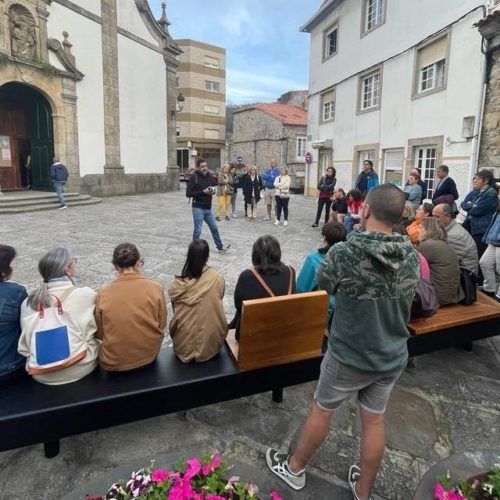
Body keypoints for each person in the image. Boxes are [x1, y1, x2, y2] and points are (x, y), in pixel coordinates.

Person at [265, 184, 419, 498]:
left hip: (350, 353)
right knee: (374, 420)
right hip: (391, 353)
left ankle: (295, 468)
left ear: (364, 210)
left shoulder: (345, 252)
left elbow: (325, 285)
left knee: (322, 410)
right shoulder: (411, 255)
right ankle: (363, 491)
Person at [18, 248, 99, 384]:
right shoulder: (85, 295)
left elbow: (25, 345)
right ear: (67, 270)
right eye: (74, 262)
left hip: (41, 373)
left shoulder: (28, 303)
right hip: (80, 366)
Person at [95, 243, 167, 372]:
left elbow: (100, 332)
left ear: (116, 266)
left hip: (114, 361)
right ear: (138, 262)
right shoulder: (155, 288)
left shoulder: (104, 293)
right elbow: (162, 324)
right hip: (148, 355)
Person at [168, 240, 227, 363]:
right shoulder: (217, 279)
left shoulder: (176, 285)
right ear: (207, 257)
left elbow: (176, 311)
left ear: (188, 256)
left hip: (183, 346)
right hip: (212, 345)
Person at [229, 235, 296, 341]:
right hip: (282, 331)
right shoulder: (291, 272)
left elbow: (238, 305)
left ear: (255, 255)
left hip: (253, 336)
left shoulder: (247, 276)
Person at [296, 222, 347, 329]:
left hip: (320, 313)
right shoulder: (351, 260)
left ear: (324, 238)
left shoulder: (314, 259)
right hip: (343, 315)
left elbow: (301, 289)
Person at [186, 158, 230, 254]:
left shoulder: (209, 175)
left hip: (208, 208)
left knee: (214, 228)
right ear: (198, 167)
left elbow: (212, 187)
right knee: (198, 230)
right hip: (198, 207)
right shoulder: (194, 177)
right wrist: (203, 192)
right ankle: (193, 251)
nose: (205, 168)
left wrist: (212, 191)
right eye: (202, 167)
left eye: (206, 166)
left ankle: (220, 248)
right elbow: (188, 193)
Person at [418, 218, 463, 306]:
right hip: (452, 295)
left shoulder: (427, 245)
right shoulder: (444, 243)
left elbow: (412, 267)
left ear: (428, 230)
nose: (418, 231)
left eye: (421, 228)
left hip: (438, 298)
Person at [0, 245, 27, 382]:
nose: (14, 266)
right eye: (11, 263)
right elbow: (27, 326)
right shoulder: (15, 292)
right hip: (8, 368)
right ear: (4, 271)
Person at [460, 169, 498, 260]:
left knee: (478, 254)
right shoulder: (476, 191)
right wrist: (472, 205)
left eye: (478, 179)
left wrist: (471, 205)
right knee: (467, 250)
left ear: (486, 181)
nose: (475, 181)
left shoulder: (491, 194)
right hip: (471, 225)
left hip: (481, 229)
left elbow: (476, 211)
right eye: (474, 178)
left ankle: (478, 274)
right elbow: (463, 204)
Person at [433, 203, 478, 274]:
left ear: (448, 216)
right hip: (457, 270)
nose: (434, 219)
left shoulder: (454, 236)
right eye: (433, 216)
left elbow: (446, 261)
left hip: (464, 276)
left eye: (437, 217)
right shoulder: (450, 229)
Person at [479, 209, 500, 300]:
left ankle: (499, 295)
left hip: (498, 241)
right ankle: (489, 289)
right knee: (484, 262)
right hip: (493, 241)